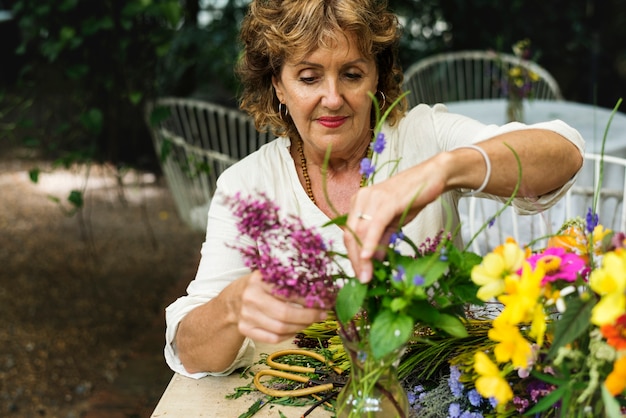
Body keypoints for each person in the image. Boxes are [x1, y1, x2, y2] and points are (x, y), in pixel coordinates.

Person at [165, 0, 584, 378]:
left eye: (351, 74)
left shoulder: (422, 137)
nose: (332, 98)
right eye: (309, 77)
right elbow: (189, 349)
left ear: (377, 77)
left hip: (432, 389)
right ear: (278, 85)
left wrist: (442, 171)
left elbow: (563, 152)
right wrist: (232, 308)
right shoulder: (246, 184)